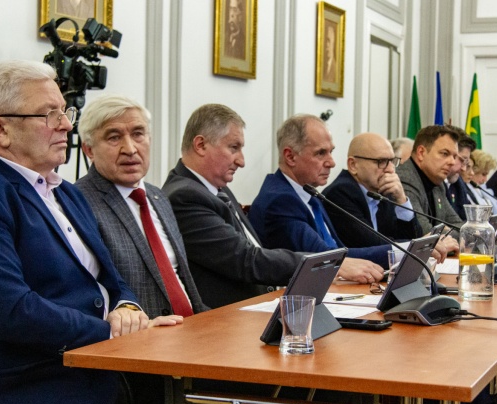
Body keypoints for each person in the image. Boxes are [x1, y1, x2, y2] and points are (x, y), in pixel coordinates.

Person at [0, 60, 181, 404]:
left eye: (65, 111)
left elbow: (112, 281)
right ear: (1, 129)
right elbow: (12, 312)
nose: (66, 124)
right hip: (33, 401)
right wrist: (111, 330)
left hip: (101, 385)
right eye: (49, 114)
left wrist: (127, 308)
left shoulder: (67, 193)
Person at [162, 104, 383, 309]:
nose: (242, 161)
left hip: (259, 305)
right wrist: (330, 264)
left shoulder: (217, 189)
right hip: (226, 319)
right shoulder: (185, 196)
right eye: (234, 148)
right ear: (200, 145)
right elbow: (245, 259)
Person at [76, 94, 208, 318]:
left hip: (194, 326)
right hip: (142, 334)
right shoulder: (79, 202)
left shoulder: (158, 197)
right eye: (114, 137)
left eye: (138, 134)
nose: (130, 149)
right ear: (89, 149)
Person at [248, 114, 395, 270]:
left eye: (331, 152)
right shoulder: (280, 201)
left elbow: (338, 250)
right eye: (321, 153)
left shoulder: (309, 193)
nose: (332, 162)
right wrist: (398, 252)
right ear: (290, 157)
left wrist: (401, 250)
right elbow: (324, 259)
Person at [322, 132, 423, 247]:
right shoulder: (339, 193)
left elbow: (412, 238)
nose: (390, 169)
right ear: (353, 165)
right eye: (381, 162)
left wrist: (401, 200)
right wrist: (415, 245)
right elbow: (371, 244)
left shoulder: (384, 191)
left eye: (392, 161)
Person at [396, 125, 465, 235]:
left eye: (454, 156)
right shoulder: (404, 178)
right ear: (421, 153)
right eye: (445, 154)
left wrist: (445, 232)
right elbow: (423, 232)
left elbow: (459, 226)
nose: (452, 162)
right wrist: (446, 231)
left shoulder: (437, 183)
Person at [444, 126, 477, 220]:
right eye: (462, 160)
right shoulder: (434, 183)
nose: (464, 169)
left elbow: (468, 219)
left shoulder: (458, 183)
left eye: (466, 163)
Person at [467, 150, 497, 214]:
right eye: (483, 174)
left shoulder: (482, 189)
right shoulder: (464, 190)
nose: (485, 180)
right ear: (474, 170)